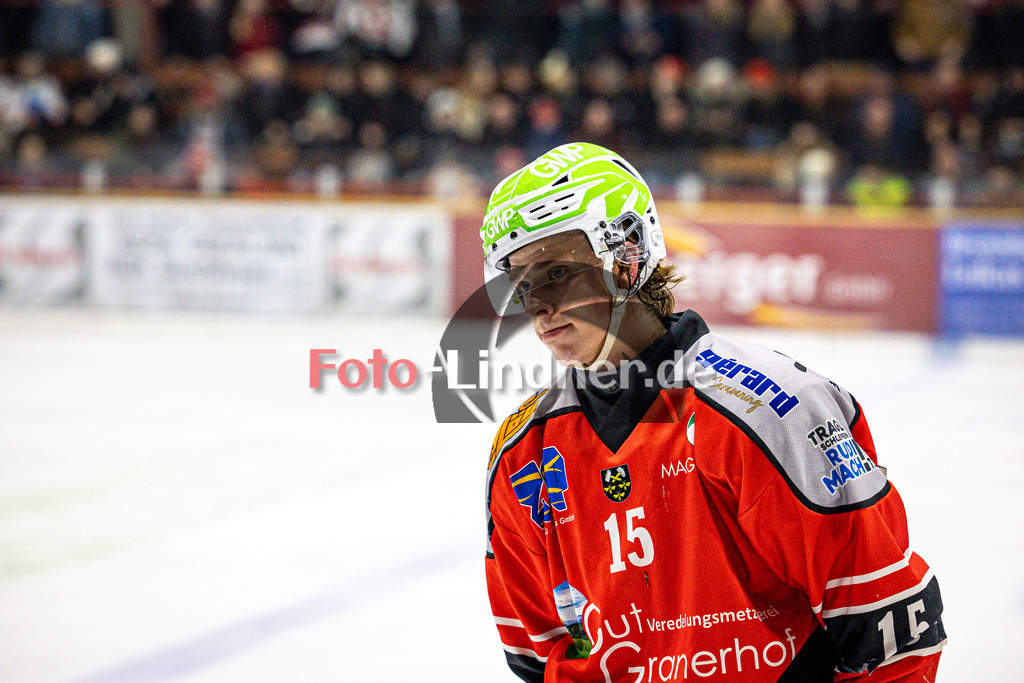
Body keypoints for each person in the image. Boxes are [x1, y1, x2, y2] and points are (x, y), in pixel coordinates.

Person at [482, 142, 946, 681]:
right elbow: (537, 654)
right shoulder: (521, 454)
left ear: (628, 254)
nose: (537, 304)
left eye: (558, 272)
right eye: (521, 282)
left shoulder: (769, 409)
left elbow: (888, 631)